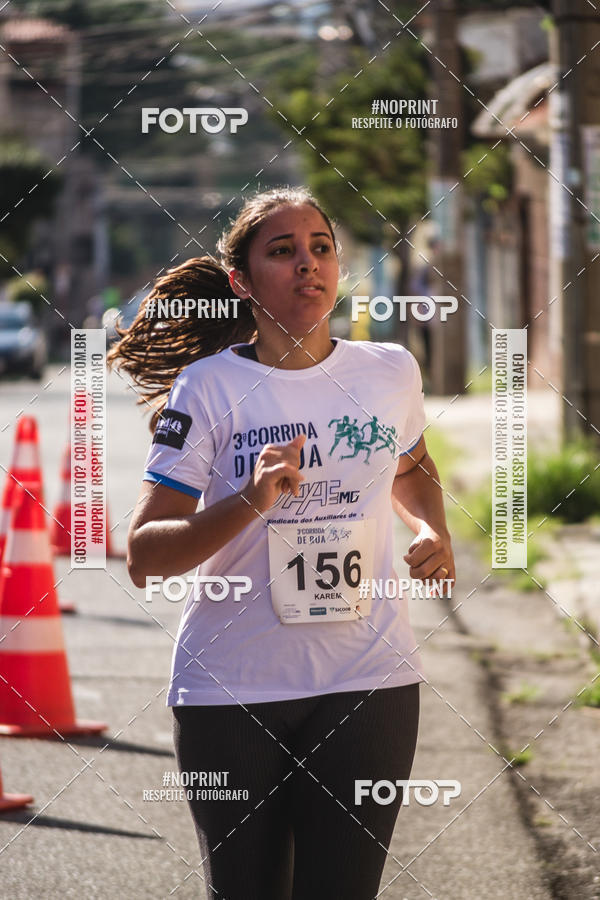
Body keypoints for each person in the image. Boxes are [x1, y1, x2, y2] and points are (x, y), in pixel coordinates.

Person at [109, 186, 455, 900]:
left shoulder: (389, 370)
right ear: (241, 281)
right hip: (232, 688)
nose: (308, 265)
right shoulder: (206, 388)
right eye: (283, 251)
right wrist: (250, 500)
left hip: (369, 681)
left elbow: (413, 468)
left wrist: (433, 529)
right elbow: (147, 554)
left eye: (320, 248)